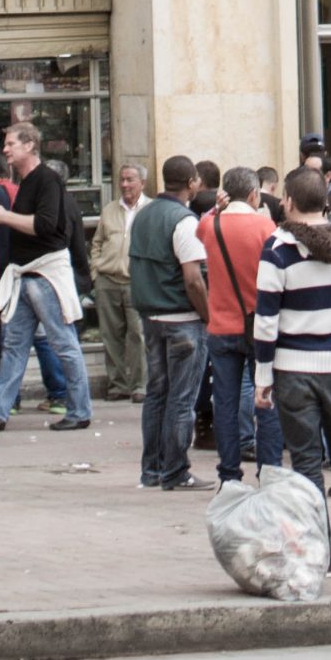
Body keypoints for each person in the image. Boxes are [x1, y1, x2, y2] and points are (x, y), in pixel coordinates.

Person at [253, 167, 331, 572]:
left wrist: (262, 378)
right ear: (327, 199)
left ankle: (323, 555)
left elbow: (266, 321)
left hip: (293, 368)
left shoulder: (277, 248)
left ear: (287, 201)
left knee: (306, 465)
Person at [0, 123, 94, 431]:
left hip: (43, 276)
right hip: (28, 275)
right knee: (16, 346)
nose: (5, 149)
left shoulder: (46, 179)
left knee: (62, 343)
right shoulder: (31, 181)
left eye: (11, 144)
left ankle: (79, 410)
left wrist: (3, 216)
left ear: (30, 145)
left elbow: (46, 225)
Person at [130, 155, 211, 491]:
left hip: (152, 316)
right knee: (181, 398)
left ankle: (152, 469)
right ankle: (176, 471)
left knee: (157, 395)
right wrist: (209, 315)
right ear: (192, 182)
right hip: (182, 319)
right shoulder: (184, 221)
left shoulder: (143, 215)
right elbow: (193, 279)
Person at [199, 166, 281, 484]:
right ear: (253, 194)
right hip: (258, 325)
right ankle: (269, 469)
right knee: (265, 397)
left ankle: (229, 472)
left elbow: (200, 228)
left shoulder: (211, 225)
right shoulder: (265, 226)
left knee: (226, 402)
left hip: (221, 326)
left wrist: (214, 208)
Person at [91, 162, 149, 403]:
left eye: (130, 180)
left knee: (138, 335)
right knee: (111, 336)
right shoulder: (110, 209)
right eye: (122, 179)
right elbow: (97, 242)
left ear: (142, 183)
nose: (124, 184)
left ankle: (140, 386)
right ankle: (117, 385)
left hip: (137, 282)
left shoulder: (150, 209)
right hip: (108, 280)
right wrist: (96, 270)